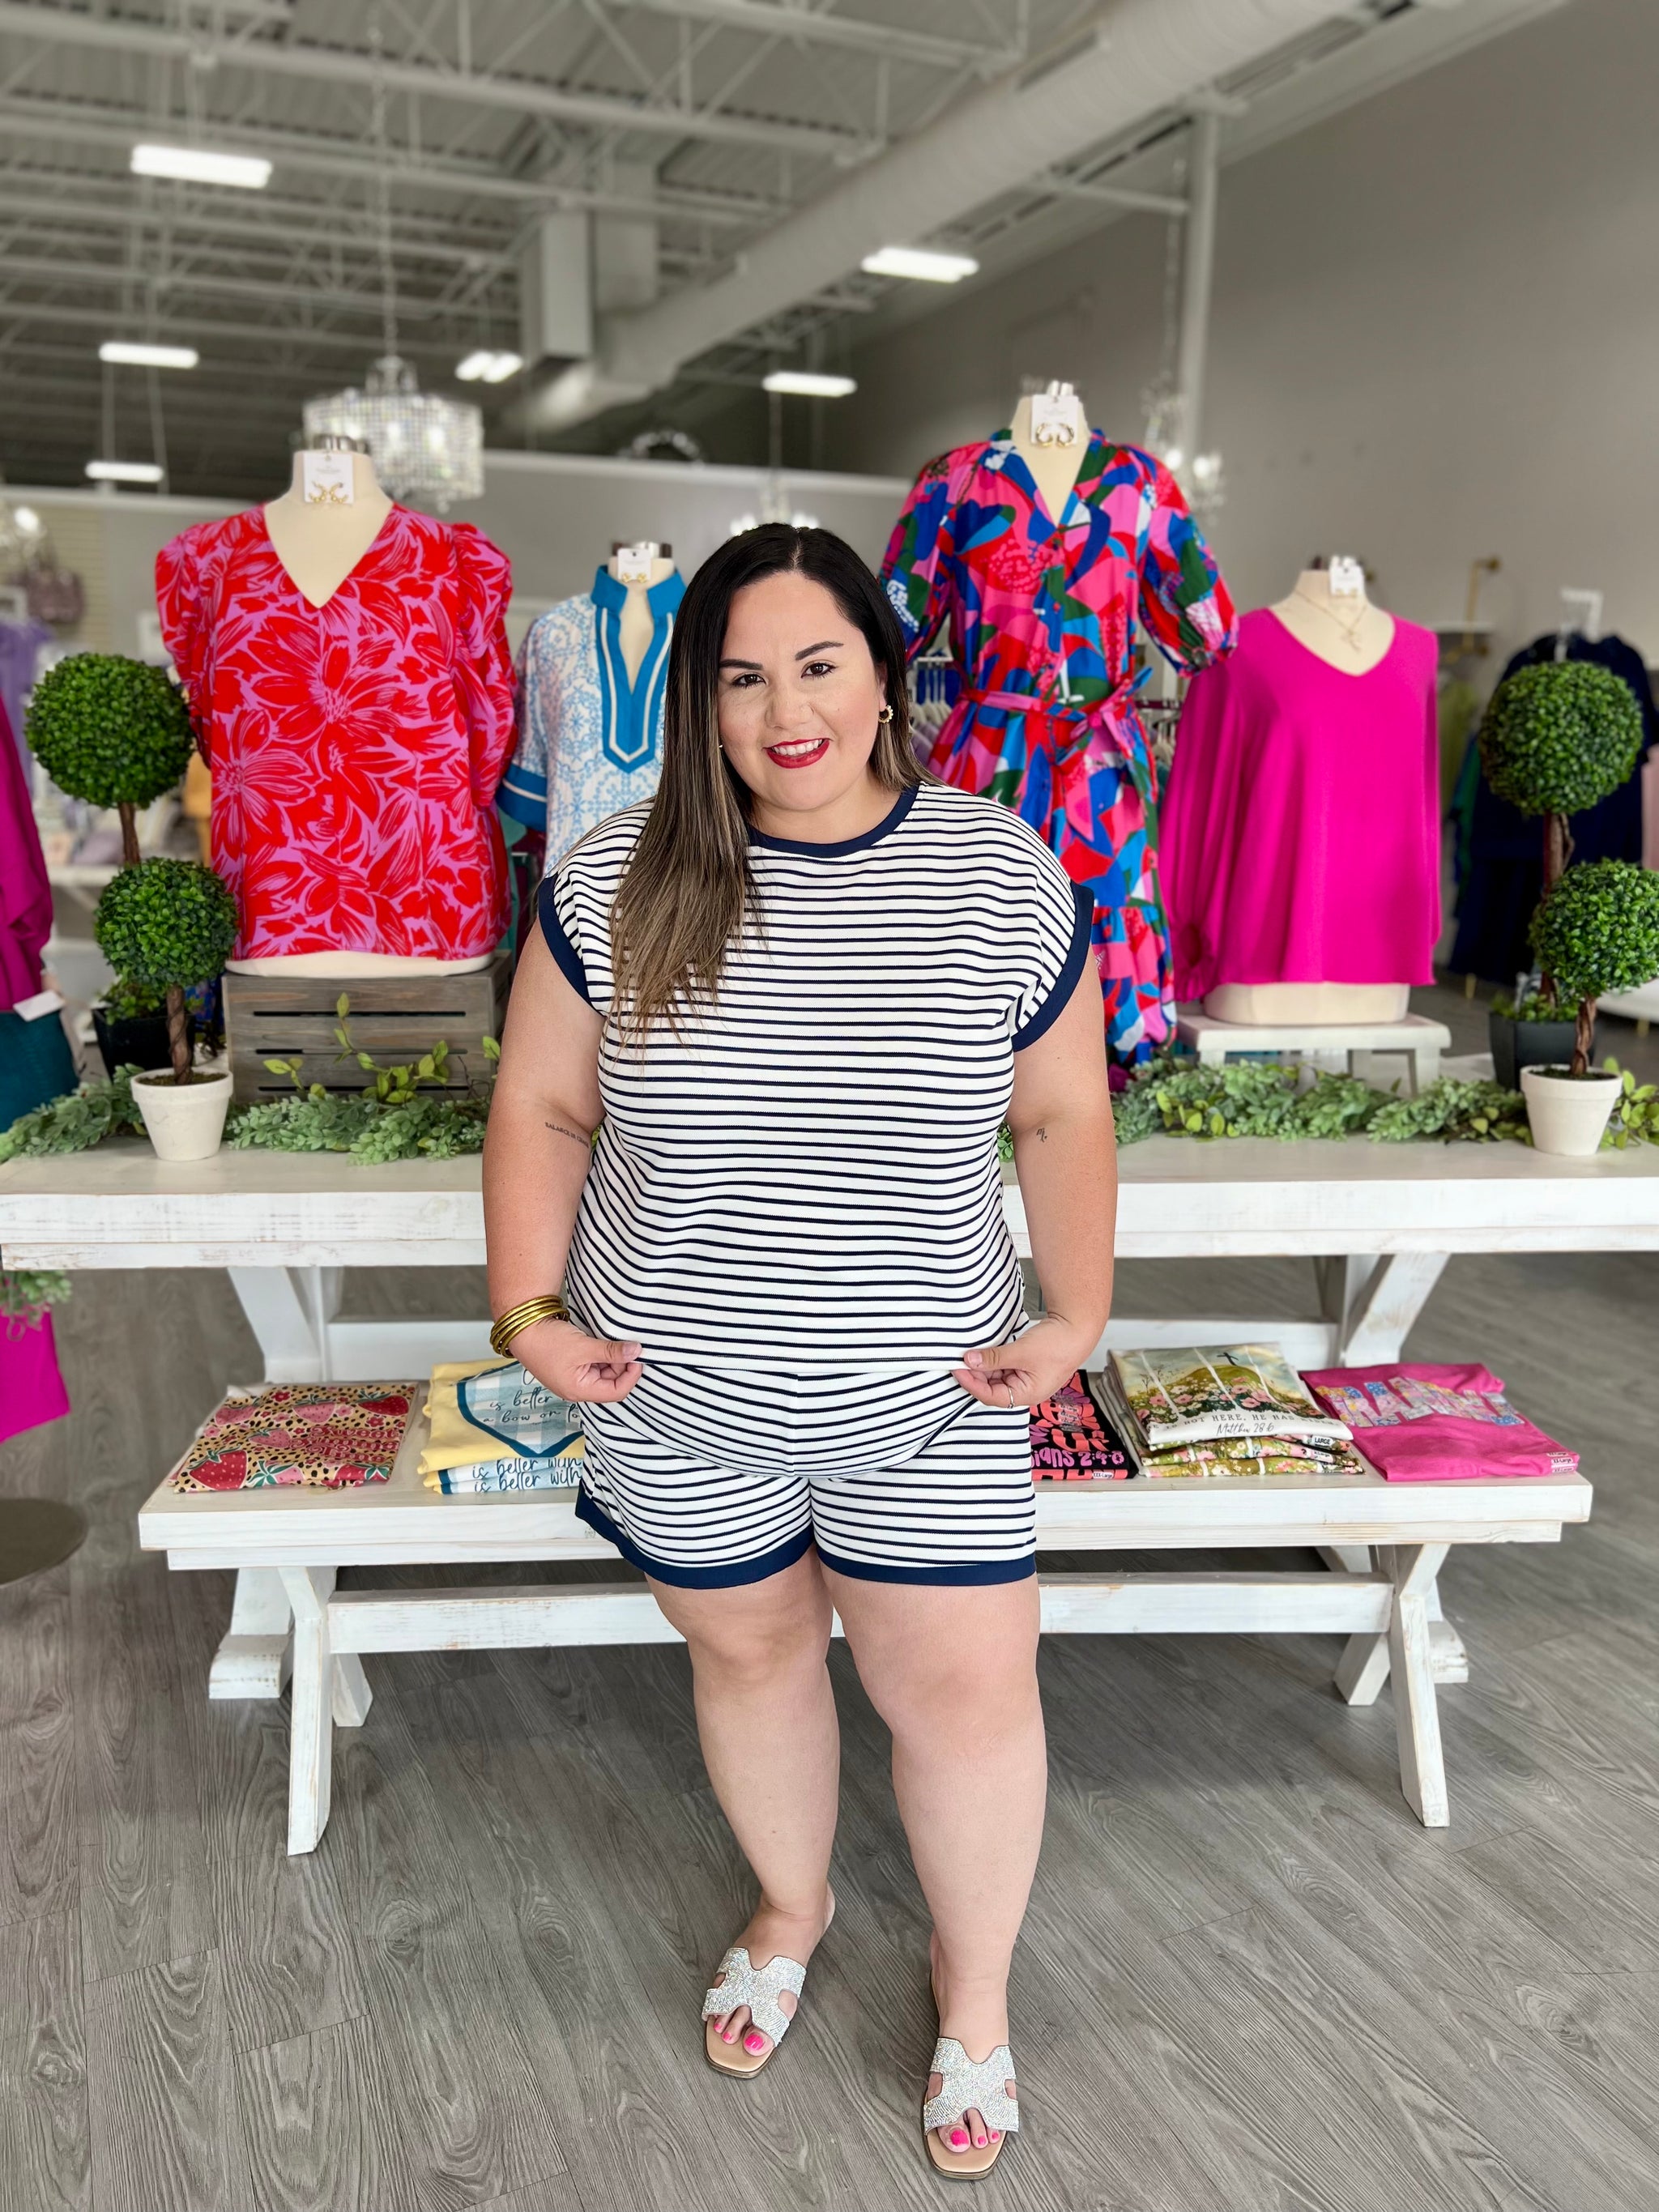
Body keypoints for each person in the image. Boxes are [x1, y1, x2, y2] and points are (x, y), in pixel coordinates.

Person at [484, 523, 1117, 2178]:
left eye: (819, 665)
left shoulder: (996, 872)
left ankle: (974, 1994)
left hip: (930, 1392)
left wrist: (1076, 1312)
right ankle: (792, 1901)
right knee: (751, 1656)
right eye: (742, 677)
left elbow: (1060, 1112)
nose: (786, 713)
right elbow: (542, 1104)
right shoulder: (613, 876)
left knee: (964, 1694)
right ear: (697, 700)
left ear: (884, 675)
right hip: (677, 1395)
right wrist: (527, 1307)